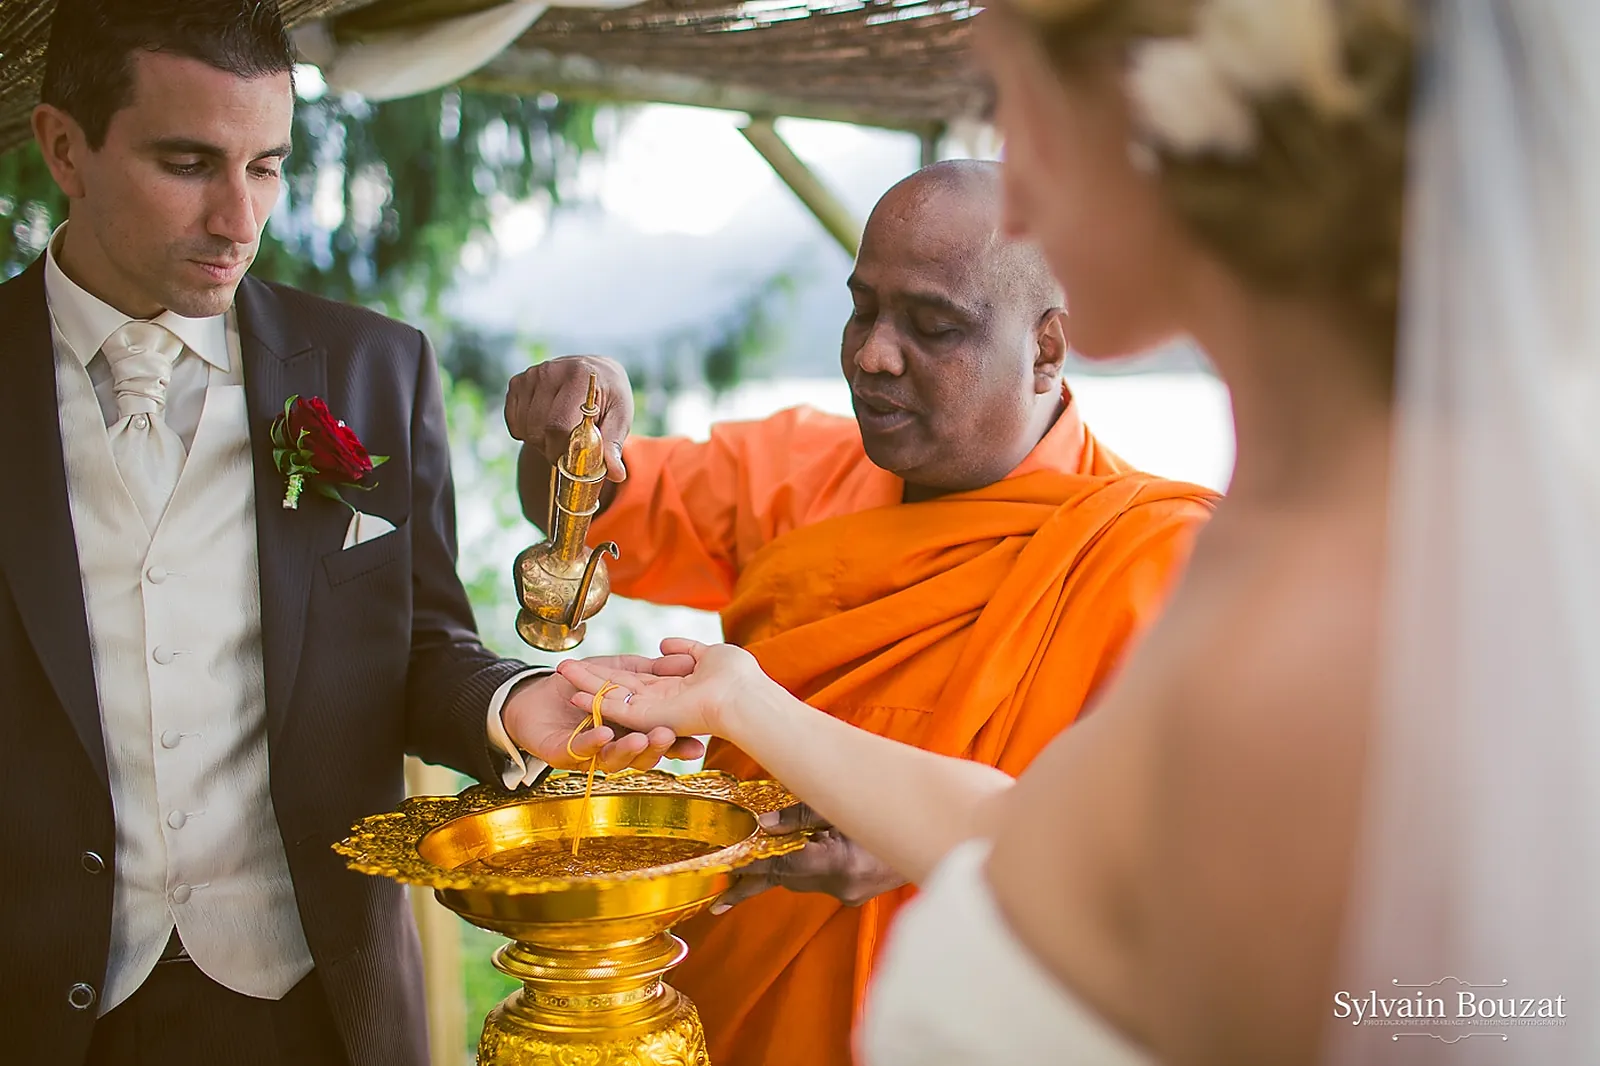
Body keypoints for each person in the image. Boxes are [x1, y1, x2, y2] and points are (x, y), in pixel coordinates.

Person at [561, 0, 1600, 1063]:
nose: (1013, 187)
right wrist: (739, 700)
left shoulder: (1288, 623)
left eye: (1014, 102)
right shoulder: (1291, 547)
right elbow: (1016, 837)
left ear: (1148, 119)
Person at [0, 3, 700, 1064]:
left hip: (317, 1001)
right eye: (187, 164)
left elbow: (418, 643)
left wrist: (518, 706)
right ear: (65, 148)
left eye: (267, 167)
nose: (238, 218)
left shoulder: (373, 367)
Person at [502, 161, 1217, 1065]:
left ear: (1046, 349)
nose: (874, 354)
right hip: (719, 1016)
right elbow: (592, 514)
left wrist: (918, 840)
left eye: (933, 326)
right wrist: (582, 422)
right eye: (862, 310)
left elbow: (1156, 878)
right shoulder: (797, 466)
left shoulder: (1155, 557)